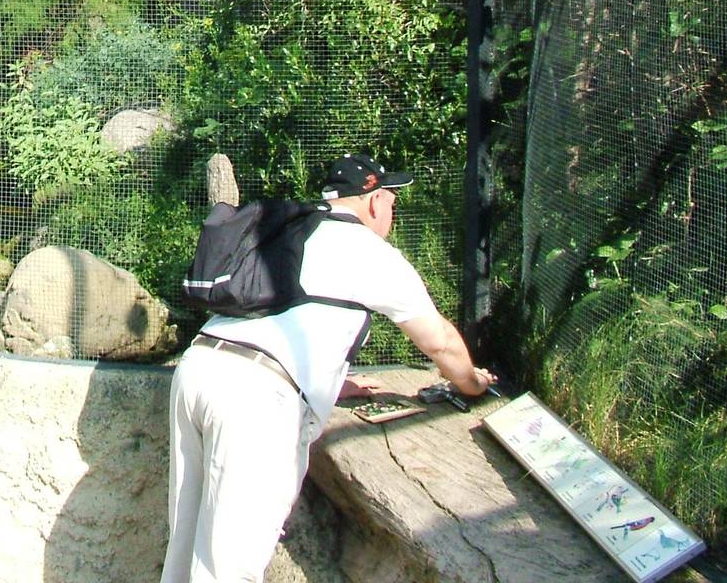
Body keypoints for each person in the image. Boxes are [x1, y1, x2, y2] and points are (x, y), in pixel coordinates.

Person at [161, 153, 498, 583]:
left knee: (185, 547)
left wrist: (328, 381)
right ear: (374, 201)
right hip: (255, 397)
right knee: (229, 566)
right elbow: (442, 343)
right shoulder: (370, 252)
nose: (392, 213)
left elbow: (282, 311)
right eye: (392, 202)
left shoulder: (292, 228)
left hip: (200, 369)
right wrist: (471, 384)